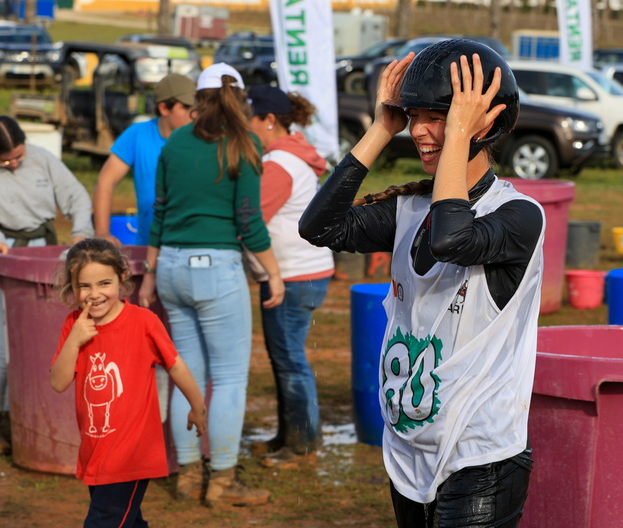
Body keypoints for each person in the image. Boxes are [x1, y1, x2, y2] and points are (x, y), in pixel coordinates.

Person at [299, 39, 544, 527]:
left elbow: (453, 239)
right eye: (413, 116)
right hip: (409, 450)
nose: (420, 131)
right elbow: (318, 228)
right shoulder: (409, 209)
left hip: (481, 457)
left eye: (437, 116)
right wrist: (379, 129)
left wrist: (455, 134)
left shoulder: (518, 215)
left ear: (484, 123)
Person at [138, 62, 285, 508]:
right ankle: (221, 482)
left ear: (197, 99)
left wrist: (148, 274)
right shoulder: (245, 144)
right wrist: (273, 272)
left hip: (171, 270)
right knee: (229, 379)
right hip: (216, 269)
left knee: (188, 376)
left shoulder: (175, 141)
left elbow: (159, 212)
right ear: (240, 99)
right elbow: (248, 222)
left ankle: (186, 476)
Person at [50, 238, 207, 527]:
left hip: (131, 454)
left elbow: (176, 366)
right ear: (72, 287)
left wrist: (198, 406)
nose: (94, 294)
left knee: (104, 521)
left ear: (122, 276)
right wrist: (74, 341)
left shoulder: (144, 322)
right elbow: (58, 382)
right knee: (127, 520)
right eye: (84, 286)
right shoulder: (73, 325)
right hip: (96, 448)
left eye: (104, 283)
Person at [245, 85, 335, 459]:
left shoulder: (279, 164)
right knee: (287, 357)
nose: (246, 127)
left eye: (250, 119)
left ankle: (302, 445)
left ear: (268, 120)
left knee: (290, 359)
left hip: (293, 276)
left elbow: (250, 222)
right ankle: (291, 437)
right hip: (306, 271)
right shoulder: (292, 157)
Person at [0, 115, 94, 455]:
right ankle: (5, 418)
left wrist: (81, 232)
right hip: (6, 256)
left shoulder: (41, 158)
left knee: (46, 340)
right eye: (5, 160)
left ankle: (44, 414)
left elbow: (78, 197)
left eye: (18, 157)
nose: (13, 163)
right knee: (3, 346)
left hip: (46, 255)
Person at [93, 73, 196, 247]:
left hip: (191, 246)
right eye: (186, 107)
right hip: (148, 246)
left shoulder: (202, 139)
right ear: (164, 108)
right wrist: (102, 233)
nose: (193, 115)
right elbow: (105, 182)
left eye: (196, 107)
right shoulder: (138, 134)